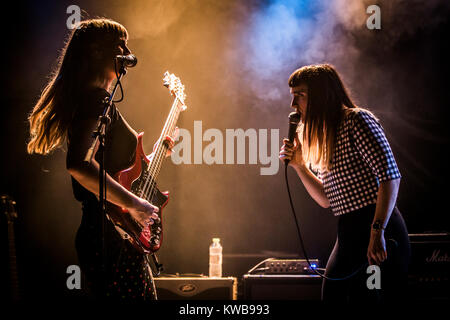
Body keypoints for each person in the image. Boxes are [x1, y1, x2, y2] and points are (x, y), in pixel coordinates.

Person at [27, 18, 173, 300]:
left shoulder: (98, 101)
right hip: (108, 236)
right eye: (121, 46)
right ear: (97, 52)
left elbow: (117, 172)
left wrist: (156, 154)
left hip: (112, 233)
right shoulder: (95, 100)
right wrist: (134, 204)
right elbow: (79, 164)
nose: (128, 53)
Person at [279, 64, 410, 303]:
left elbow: (390, 176)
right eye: (293, 96)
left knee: (373, 299)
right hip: (348, 230)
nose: (293, 105)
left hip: (378, 224)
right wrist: (300, 166)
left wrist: (377, 231)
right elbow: (327, 200)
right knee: (333, 297)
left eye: (300, 95)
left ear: (321, 94)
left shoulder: (357, 120)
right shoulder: (325, 135)